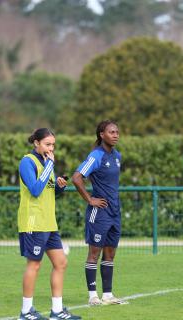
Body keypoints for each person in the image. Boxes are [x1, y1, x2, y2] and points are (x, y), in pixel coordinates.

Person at [17, 128, 81, 320]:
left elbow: (49, 190)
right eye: (47, 144)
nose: (51, 148)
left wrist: (60, 187)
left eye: (53, 144)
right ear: (36, 143)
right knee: (34, 265)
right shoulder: (27, 162)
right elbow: (36, 190)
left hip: (49, 222)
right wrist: (48, 168)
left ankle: (57, 311)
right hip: (33, 221)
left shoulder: (48, 164)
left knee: (61, 263)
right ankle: (26, 311)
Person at [72, 120, 128, 306]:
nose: (116, 135)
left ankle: (108, 295)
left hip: (114, 213)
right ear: (101, 135)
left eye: (117, 132)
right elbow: (77, 177)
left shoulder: (117, 156)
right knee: (94, 254)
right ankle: (92, 296)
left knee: (110, 254)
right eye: (111, 132)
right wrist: (90, 199)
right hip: (100, 212)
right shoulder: (96, 156)